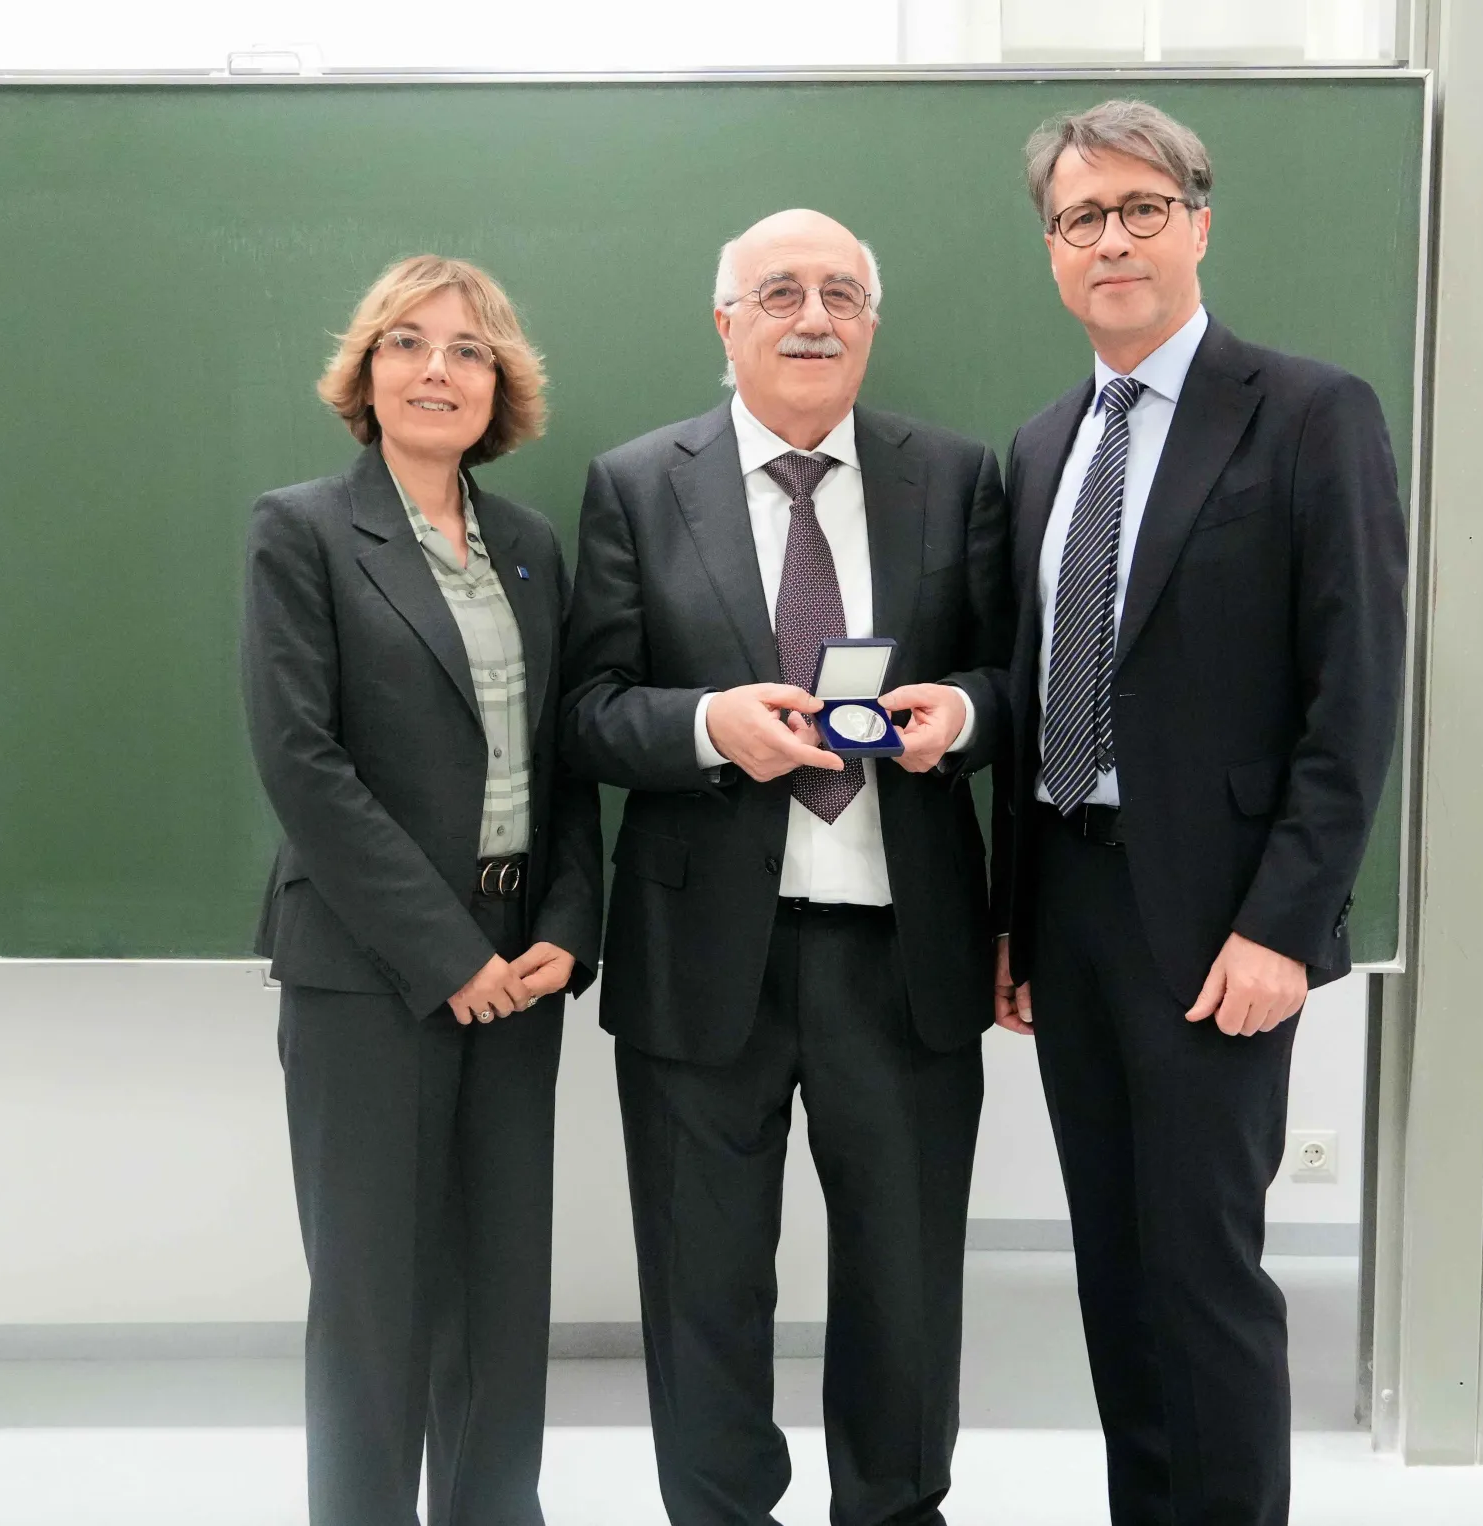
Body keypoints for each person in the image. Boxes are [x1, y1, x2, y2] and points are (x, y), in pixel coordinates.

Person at [990, 101, 1408, 1526]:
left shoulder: (1306, 412)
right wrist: (1014, 921)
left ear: (1198, 225)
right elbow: (1030, 691)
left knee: (1203, 1270)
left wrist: (1284, 923)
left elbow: (1353, 695)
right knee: (1113, 1268)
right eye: (1079, 218)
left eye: (1140, 209)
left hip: (1220, 921)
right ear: (1052, 252)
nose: (1110, 239)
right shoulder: (1041, 445)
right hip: (1071, 904)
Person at [560, 209, 1011, 1526]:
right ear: (725, 322)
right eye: (777, 293)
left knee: (905, 1281)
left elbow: (1014, 680)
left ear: (870, 323)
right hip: (702, 958)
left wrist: (961, 713)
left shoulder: (955, 475)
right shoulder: (636, 482)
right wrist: (711, 725)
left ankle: (894, 1507)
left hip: (904, 952)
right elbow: (587, 709)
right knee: (702, 1283)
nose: (811, 316)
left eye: (839, 294)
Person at [241, 254, 602, 1526]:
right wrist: (448, 953)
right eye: (405, 342)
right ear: (366, 371)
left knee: (500, 1300)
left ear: (499, 383)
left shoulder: (529, 546)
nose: (435, 368)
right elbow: (303, 763)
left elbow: (560, 754)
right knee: (376, 1304)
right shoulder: (302, 531)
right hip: (372, 967)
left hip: (520, 964)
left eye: (466, 348)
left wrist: (566, 924)